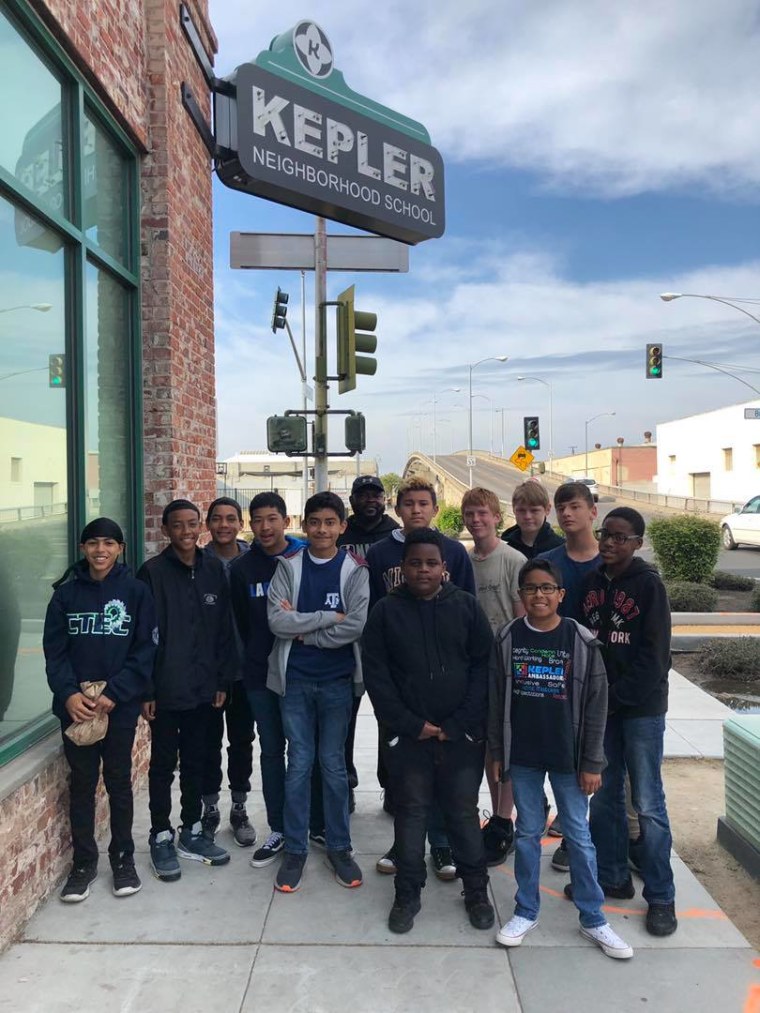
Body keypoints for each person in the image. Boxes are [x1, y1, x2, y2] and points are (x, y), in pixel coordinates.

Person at [488, 558, 633, 960]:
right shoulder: (507, 638)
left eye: (547, 588)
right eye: (531, 588)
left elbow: (597, 705)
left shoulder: (581, 640)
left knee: (580, 837)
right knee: (528, 833)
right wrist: (498, 753)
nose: (539, 595)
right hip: (525, 756)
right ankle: (525, 911)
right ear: (521, 595)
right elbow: (494, 701)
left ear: (561, 594)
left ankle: (593, 917)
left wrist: (592, 761)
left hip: (569, 759)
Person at [363, 527, 495, 934]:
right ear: (402, 568)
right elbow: (377, 677)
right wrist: (410, 725)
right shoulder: (386, 612)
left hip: (460, 738)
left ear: (445, 568)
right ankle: (407, 892)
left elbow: (483, 669)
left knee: (462, 814)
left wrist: (458, 725)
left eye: (431, 563)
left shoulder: (467, 608)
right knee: (411, 814)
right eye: (415, 563)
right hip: (409, 739)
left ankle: (475, 890)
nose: (423, 570)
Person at [366, 475, 476, 880]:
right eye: (408, 502)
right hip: (399, 680)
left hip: (445, 679)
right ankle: (404, 842)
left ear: (434, 508)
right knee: (401, 768)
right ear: (398, 508)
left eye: (423, 503)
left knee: (445, 768)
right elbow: (375, 613)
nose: (416, 509)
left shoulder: (454, 554)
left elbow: (465, 610)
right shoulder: (380, 553)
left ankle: (442, 842)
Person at [43, 518, 156, 902]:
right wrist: (69, 695)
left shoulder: (136, 592)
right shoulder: (65, 596)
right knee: (82, 784)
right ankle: (83, 863)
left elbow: (145, 650)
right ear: (82, 549)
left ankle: (123, 859)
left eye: (108, 543)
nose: (100, 550)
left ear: (120, 548)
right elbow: (54, 654)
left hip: (117, 706)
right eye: (93, 544)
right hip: (76, 708)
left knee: (119, 782)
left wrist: (116, 692)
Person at [581, 507, 678, 937]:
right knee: (603, 798)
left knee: (648, 803)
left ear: (637, 543)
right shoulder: (588, 584)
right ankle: (613, 875)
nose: (609, 542)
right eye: (606, 534)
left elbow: (655, 658)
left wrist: (615, 700)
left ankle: (660, 896)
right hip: (601, 711)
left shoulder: (649, 586)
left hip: (639, 711)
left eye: (621, 537)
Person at [267, 491, 369, 894]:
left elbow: (356, 625)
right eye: (315, 522)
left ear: (342, 527)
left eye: (331, 522)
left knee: (332, 764)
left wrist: (306, 630)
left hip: (338, 682)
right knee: (299, 764)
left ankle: (339, 847)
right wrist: (327, 619)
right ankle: (295, 849)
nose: (322, 529)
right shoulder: (288, 567)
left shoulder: (354, 570)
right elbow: (277, 621)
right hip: (294, 682)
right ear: (304, 525)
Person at [138, 499, 235, 881]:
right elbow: (143, 636)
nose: (185, 531)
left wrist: (222, 680)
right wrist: (147, 688)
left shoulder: (214, 568)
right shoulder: (152, 573)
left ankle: (191, 831)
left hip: (204, 689)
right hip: (164, 690)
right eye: (177, 525)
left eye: (192, 524)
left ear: (201, 527)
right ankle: (160, 834)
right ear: (165, 530)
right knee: (163, 766)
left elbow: (223, 631)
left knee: (197, 761)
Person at [230, 493, 305, 868]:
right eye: (257, 520)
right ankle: (279, 827)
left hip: (304, 673)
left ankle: (312, 824)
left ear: (286, 521)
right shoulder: (242, 569)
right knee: (273, 751)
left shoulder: (304, 557)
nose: (264, 527)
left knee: (309, 754)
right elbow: (240, 625)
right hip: (260, 675)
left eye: (272, 518)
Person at [462, 487, 525, 866]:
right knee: (487, 749)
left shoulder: (513, 560)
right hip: (474, 668)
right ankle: (497, 816)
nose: (476, 520)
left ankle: (505, 821)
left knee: (507, 748)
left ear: (497, 517)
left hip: (506, 668)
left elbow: (522, 620)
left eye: (483, 513)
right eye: (470, 514)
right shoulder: (464, 560)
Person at [538, 480, 600, 858]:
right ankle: (566, 826)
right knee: (562, 752)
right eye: (561, 507)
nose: (567, 513)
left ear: (593, 511)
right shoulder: (551, 561)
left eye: (575, 506)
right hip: (555, 671)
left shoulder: (608, 561)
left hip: (598, 674)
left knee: (593, 758)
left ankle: (583, 833)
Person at [337, 474, 400, 811]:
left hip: (387, 640)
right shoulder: (341, 535)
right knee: (344, 716)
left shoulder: (394, 535)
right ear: (353, 500)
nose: (370, 500)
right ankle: (344, 781)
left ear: (384, 499)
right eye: (363, 495)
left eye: (375, 494)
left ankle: (391, 784)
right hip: (348, 637)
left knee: (388, 716)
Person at [201, 497, 257, 848]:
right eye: (217, 518)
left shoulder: (254, 561)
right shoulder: (197, 561)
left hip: (246, 671)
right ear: (208, 524)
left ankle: (239, 806)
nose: (224, 525)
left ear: (240, 524)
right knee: (207, 744)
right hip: (207, 673)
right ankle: (209, 808)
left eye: (231, 519)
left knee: (241, 742)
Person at [502, 480, 565, 558]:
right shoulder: (505, 548)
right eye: (521, 510)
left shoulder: (561, 548)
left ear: (547, 509)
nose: (527, 516)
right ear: (514, 510)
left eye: (534, 510)